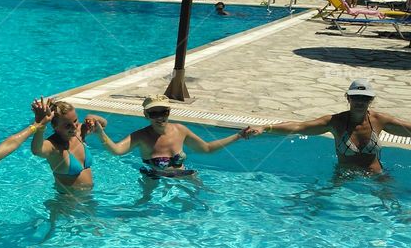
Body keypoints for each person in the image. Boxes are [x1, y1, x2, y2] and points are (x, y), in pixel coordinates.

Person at [246, 80, 411, 175]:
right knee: (317, 206)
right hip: (344, 176)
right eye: (356, 97)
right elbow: (299, 126)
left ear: (371, 100)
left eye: (365, 98)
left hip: (376, 175)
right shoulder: (334, 122)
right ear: (348, 98)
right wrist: (265, 127)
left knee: (398, 213)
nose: (360, 102)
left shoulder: (379, 120)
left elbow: (407, 128)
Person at [91, 95, 252, 178]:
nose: (160, 117)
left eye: (163, 112)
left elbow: (207, 149)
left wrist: (238, 136)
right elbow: (117, 150)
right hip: (154, 177)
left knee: (203, 202)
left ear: (169, 112)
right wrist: (101, 133)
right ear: (146, 115)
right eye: (154, 113)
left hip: (183, 175)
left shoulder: (180, 130)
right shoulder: (141, 136)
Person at [29, 98, 108, 188]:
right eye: (68, 125)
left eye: (75, 121)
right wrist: (41, 125)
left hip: (89, 197)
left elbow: (104, 124)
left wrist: (92, 118)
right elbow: (36, 150)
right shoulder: (54, 145)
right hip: (65, 200)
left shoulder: (79, 132)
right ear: (55, 126)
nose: (74, 127)